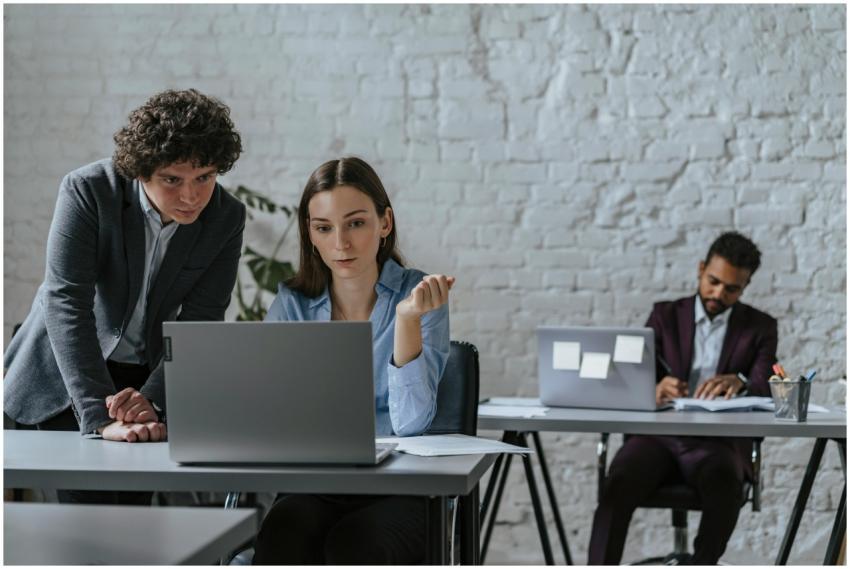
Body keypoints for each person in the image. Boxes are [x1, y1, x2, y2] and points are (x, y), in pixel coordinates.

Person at [4, 88, 246, 503]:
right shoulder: (88, 191)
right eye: (172, 180)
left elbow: (199, 320)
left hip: (144, 379)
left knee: (135, 522)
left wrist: (149, 400)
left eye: (204, 177)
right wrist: (99, 417)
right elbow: (68, 304)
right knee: (90, 522)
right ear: (141, 171)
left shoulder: (226, 216)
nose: (191, 197)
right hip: (67, 378)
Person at [252, 156, 453, 565]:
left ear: (385, 223)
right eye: (324, 228)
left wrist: (406, 320)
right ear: (311, 234)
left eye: (356, 223)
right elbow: (269, 413)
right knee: (282, 533)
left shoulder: (418, 294)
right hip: (316, 482)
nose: (340, 242)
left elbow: (411, 423)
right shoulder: (294, 304)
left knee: (355, 543)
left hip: (401, 487)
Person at [588, 231, 778, 565]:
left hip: (718, 441)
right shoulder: (664, 315)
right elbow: (633, 373)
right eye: (713, 281)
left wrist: (741, 380)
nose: (718, 293)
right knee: (618, 485)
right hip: (656, 437)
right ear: (701, 268)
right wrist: (654, 388)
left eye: (731, 288)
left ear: (745, 286)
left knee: (725, 487)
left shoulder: (760, 327)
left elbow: (765, 384)